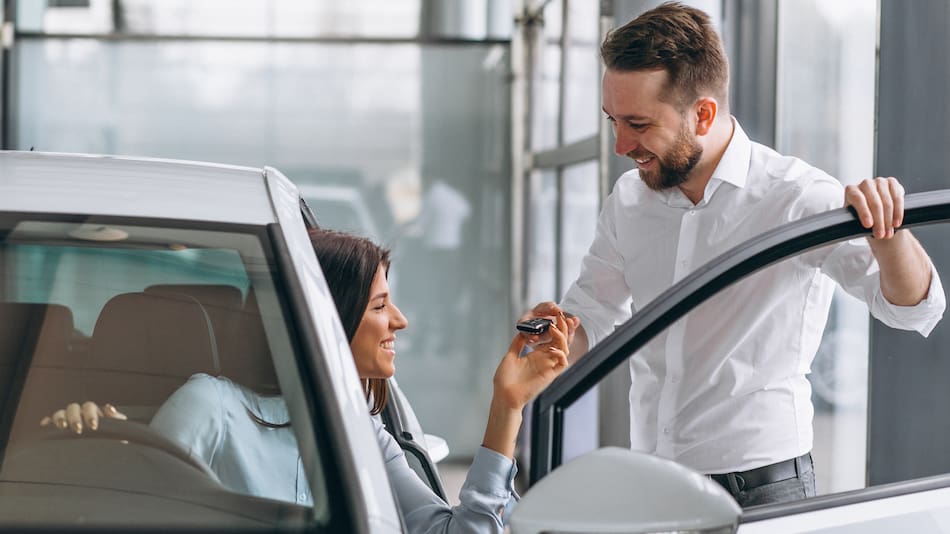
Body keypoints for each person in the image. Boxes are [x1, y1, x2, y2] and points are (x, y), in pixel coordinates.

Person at [523, 2, 945, 507]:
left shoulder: (798, 196)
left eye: (637, 124)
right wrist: (551, 338)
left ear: (702, 114)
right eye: (612, 120)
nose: (620, 145)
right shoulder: (630, 200)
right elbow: (591, 312)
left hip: (762, 487)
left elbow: (916, 308)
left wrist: (890, 235)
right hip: (653, 476)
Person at [42, 228, 571, 533]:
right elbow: (140, 516)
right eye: (381, 306)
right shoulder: (211, 405)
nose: (401, 321)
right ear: (329, 317)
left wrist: (507, 406)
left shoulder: (364, 434)